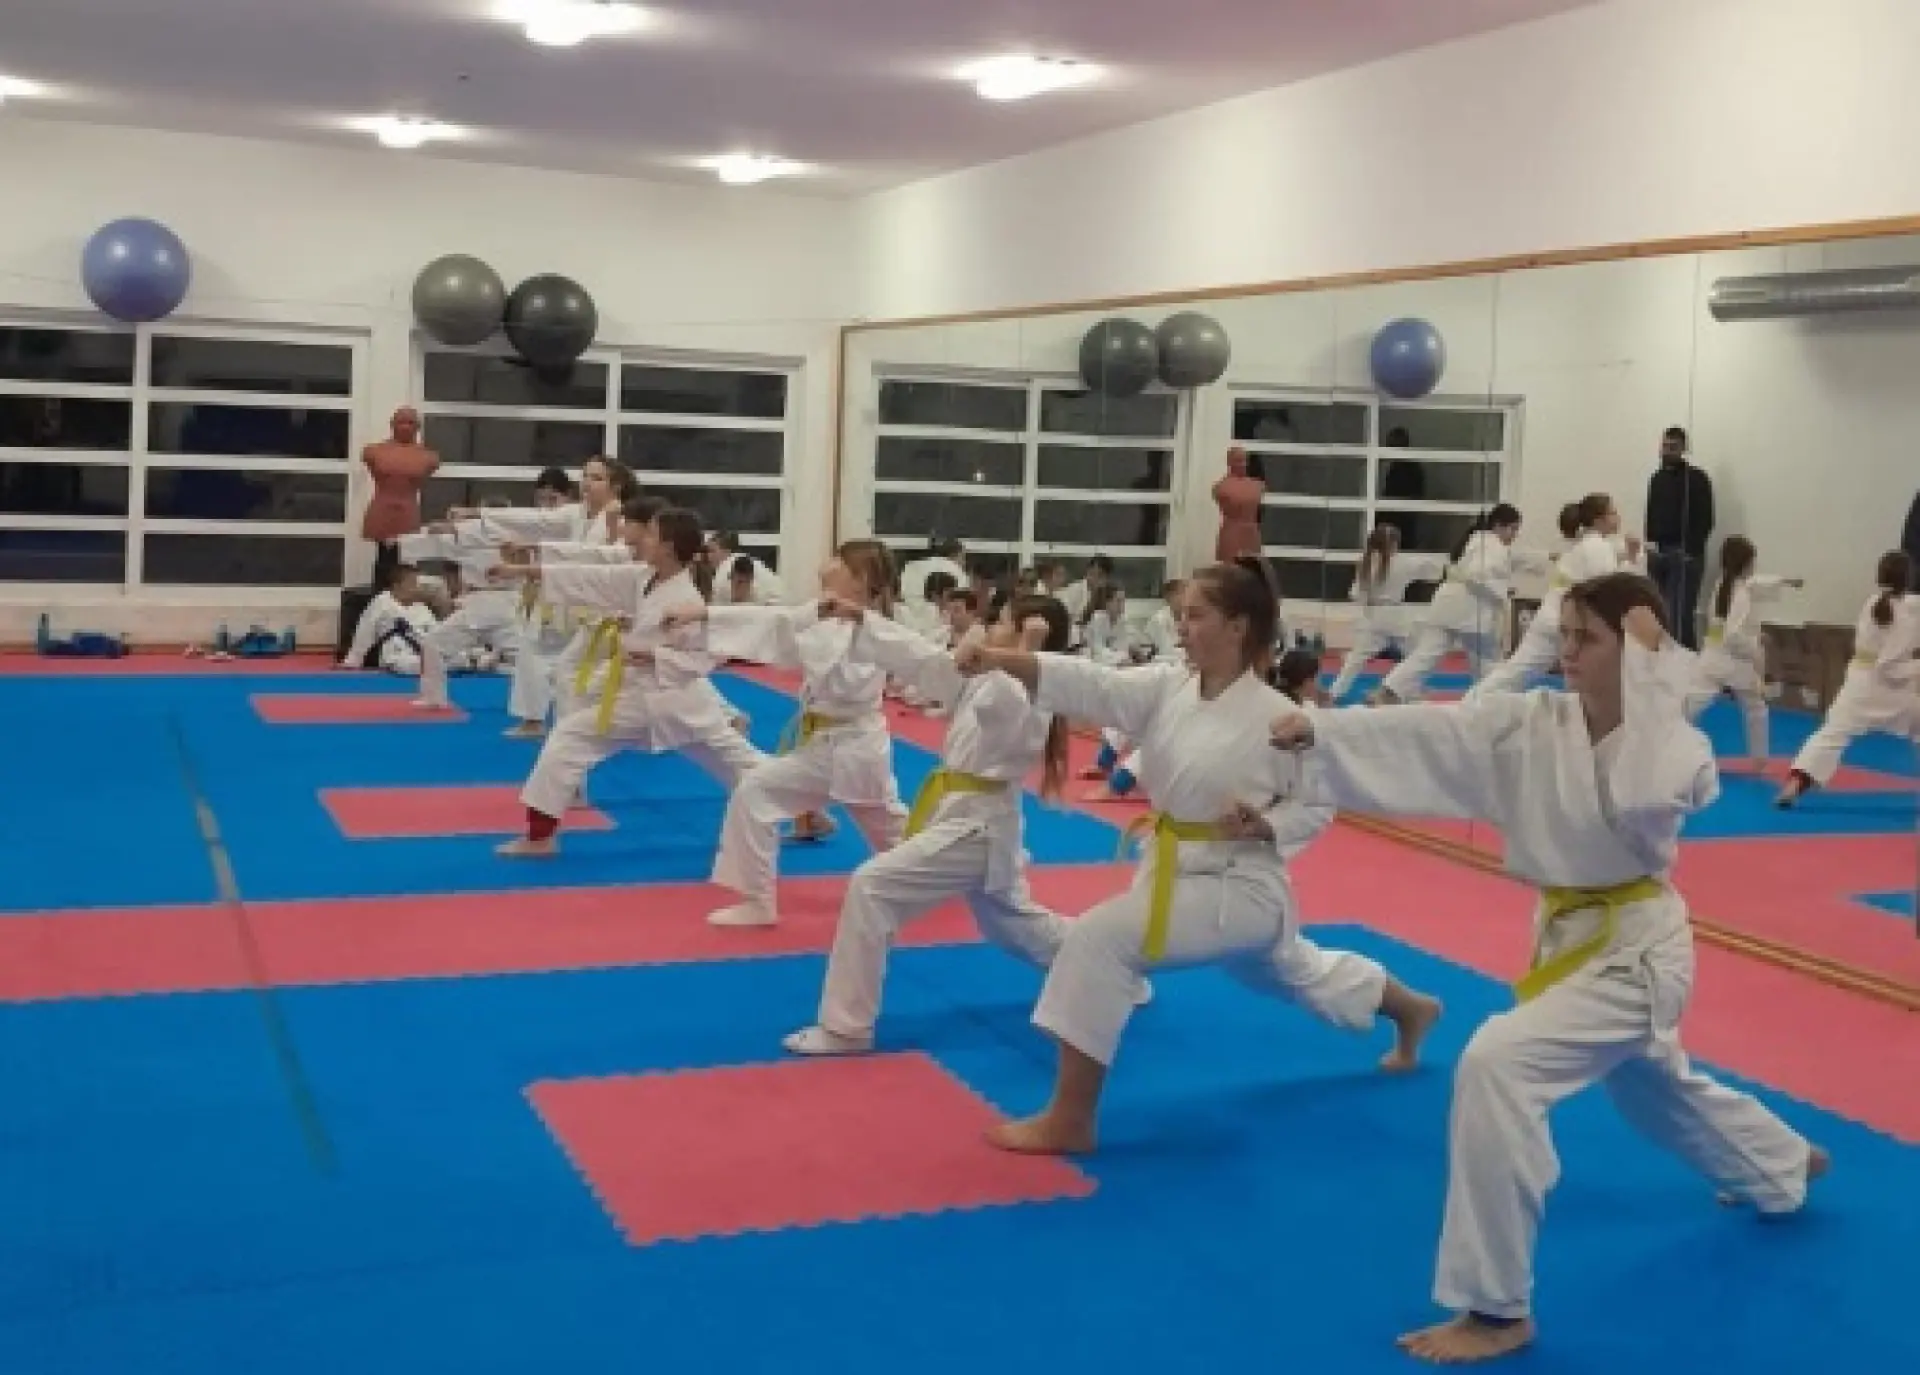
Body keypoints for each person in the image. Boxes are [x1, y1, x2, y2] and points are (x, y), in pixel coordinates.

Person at [1272, 571, 1825, 1365]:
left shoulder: (1676, 744)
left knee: (1497, 1064)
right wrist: (1325, 733)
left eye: (1587, 638)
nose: (1567, 651)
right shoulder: (1532, 723)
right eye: (1563, 633)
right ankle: (1782, 1162)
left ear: (1634, 651)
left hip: (1636, 951)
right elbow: (1435, 734)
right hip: (1568, 942)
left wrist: (1652, 667)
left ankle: (1496, 1307)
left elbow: (1648, 791)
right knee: (1653, 1091)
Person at [952, 558, 1443, 1156]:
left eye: (1196, 615)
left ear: (1237, 627)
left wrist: (1268, 825)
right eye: (1181, 614)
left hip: (1241, 883)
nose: (1181, 625)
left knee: (1098, 940)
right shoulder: (1168, 689)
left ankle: (1069, 1119)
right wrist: (998, 659)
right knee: (1295, 969)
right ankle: (1411, 1008)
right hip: (1175, 869)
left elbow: (1319, 802)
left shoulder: (1280, 717)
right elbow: (1090, 683)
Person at [783, 593, 1114, 1054]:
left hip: (978, 827)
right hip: (968, 816)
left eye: (1001, 621)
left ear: (1025, 634)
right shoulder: (987, 677)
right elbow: (921, 659)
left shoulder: (1031, 694)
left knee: (870, 887)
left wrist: (1025, 653)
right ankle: (1111, 963)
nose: (990, 627)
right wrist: (864, 619)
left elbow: (1003, 711)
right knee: (1015, 926)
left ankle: (845, 1027)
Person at [491, 507, 763, 858]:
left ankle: (540, 836)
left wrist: (654, 655)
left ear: (667, 547)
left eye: (650, 533)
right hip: (683, 703)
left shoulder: (686, 600)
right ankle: (805, 810)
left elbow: (702, 659)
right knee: (739, 762)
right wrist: (522, 570)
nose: (641, 539)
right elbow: (590, 577)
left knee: (569, 737)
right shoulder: (645, 578)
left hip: (655, 700)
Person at [670, 541, 910, 929]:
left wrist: (808, 632)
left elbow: (836, 675)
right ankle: (758, 900)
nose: (826, 564)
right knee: (888, 830)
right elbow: (773, 623)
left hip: (852, 746)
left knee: (759, 793)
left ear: (859, 578)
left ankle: (759, 902)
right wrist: (704, 615)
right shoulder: (824, 617)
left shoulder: (873, 630)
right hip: (837, 746)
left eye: (837, 560)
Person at [1776, 551, 1919, 808]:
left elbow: (1908, 603)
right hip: (1890, 689)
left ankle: (1796, 782)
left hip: (1858, 686)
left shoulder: (1873, 603)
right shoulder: (1905, 617)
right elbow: (1889, 667)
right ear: (1908, 579)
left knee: (1832, 734)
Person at [1472, 493, 1643, 700]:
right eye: (1613, 513)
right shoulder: (1597, 546)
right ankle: (1476, 704)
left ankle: (1474, 702)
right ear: (1599, 520)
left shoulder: (1590, 543)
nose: (1618, 517)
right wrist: (1632, 559)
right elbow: (1609, 588)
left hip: (1553, 616)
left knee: (1516, 672)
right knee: (1591, 672)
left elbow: (1612, 566)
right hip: (1565, 621)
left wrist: (1631, 554)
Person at [1376, 504, 1535, 704]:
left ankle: (1390, 690)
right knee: (1487, 661)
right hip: (1469, 611)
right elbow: (1479, 575)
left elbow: (1514, 559)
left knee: (1427, 654)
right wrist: (1502, 591)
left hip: (1448, 605)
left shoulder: (1478, 541)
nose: (1514, 535)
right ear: (1498, 526)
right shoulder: (1491, 545)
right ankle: (1495, 698)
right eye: (1513, 529)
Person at [1683, 537, 1801, 773]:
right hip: (1735, 662)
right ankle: (1760, 760)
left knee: (1690, 706)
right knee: (1756, 709)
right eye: (1753, 561)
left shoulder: (1722, 584)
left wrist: (1784, 581)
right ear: (1747, 563)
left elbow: (1755, 583)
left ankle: (1669, 745)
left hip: (1711, 658)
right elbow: (1733, 635)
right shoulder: (1741, 594)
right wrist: (1755, 642)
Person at [1327, 525, 1445, 702]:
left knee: (1355, 661)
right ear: (1393, 543)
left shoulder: (1365, 562)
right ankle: (1409, 692)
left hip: (1373, 616)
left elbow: (1356, 594)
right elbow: (1431, 569)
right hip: (1395, 616)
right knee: (1415, 657)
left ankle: (1334, 693)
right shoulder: (1402, 562)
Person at [1644, 426, 1714, 649]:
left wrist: (1689, 550)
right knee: (1659, 614)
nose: (1667, 451)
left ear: (1683, 449)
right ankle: (1663, 662)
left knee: (1680, 618)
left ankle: (1686, 663)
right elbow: (1651, 515)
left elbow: (1706, 519)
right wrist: (1650, 545)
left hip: (1686, 555)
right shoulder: (1657, 479)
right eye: (1664, 446)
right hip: (1659, 553)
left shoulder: (1696, 479)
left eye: (1673, 447)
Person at [360, 407, 440, 590]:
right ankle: (379, 596)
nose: (405, 427)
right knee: (383, 558)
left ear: (418, 427)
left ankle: (405, 595)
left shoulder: (428, 456)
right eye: (401, 422)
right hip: (382, 507)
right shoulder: (373, 451)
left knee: (407, 558)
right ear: (392, 425)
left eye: (410, 422)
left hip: (407, 509)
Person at [1213, 446, 1266, 561]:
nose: (1242, 464)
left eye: (1244, 460)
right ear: (1229, 462)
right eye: (1237, 460)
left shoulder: (1256, 485)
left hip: (1251, 534)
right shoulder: (1222, 487)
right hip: (1231, 534)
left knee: (1251, 567)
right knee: (1230, 567)